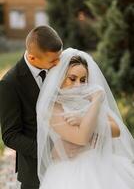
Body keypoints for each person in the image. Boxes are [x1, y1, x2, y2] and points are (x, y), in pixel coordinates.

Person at [36, 48, 134, 189]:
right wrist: (96, 102)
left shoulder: (87, 99)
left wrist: (84, 118)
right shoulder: (54, 106)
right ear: (59, 77)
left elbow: (116, 130)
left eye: (83, 80)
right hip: (71, 171)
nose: (78, 85)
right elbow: (81, 137)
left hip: (102, 163)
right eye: (72, 79)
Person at [0, 25, 63, 189]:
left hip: (67, 166)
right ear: (33, 58)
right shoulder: (10, 84)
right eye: (53, 61)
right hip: (35, 172)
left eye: (59, 57)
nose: (59, 64)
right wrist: (48, 152)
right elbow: (10, 135)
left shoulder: (57, 66)